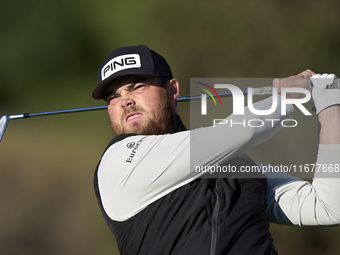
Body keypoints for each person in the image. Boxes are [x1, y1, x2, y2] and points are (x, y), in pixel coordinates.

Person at [92, 45, 340, 255]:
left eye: (137, 86)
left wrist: (329, 103)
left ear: (172, 90)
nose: (125, 100)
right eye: (113, 96)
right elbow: (243, 131)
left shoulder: (234, 163)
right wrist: (287, 96)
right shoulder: (120, 160)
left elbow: (328, 206)